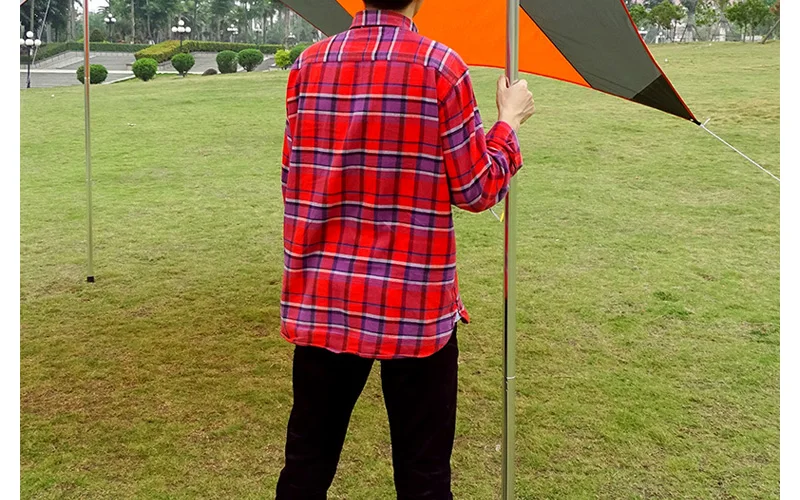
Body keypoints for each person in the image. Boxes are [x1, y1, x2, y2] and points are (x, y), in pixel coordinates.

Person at [277, 0, 535, 498]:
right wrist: (508, 122)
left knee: (306, 466)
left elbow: (294, 179)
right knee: (424, 477)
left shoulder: (307, 66)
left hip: (325, 301)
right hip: (413, 308)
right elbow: (477, 188)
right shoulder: (441, 67)